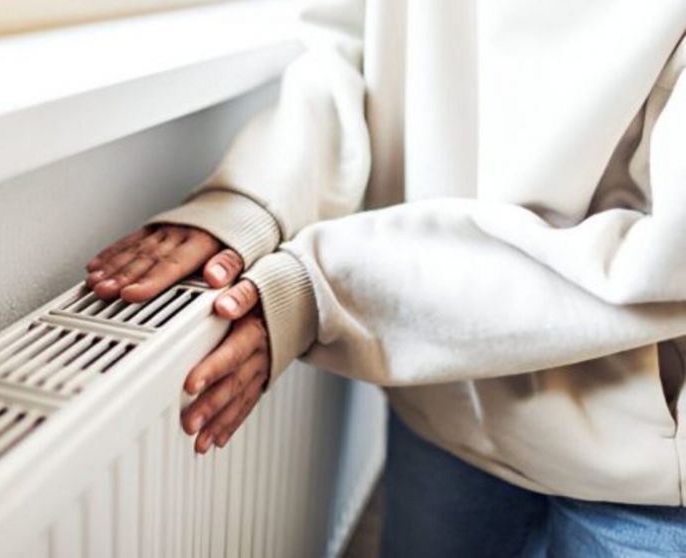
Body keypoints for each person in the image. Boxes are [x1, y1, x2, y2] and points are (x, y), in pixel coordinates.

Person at [85, 1, 686, 555]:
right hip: (443, 402)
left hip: (647, 476)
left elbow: (668, 253)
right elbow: (350, 45)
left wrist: (328, 287)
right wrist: (251, 203)